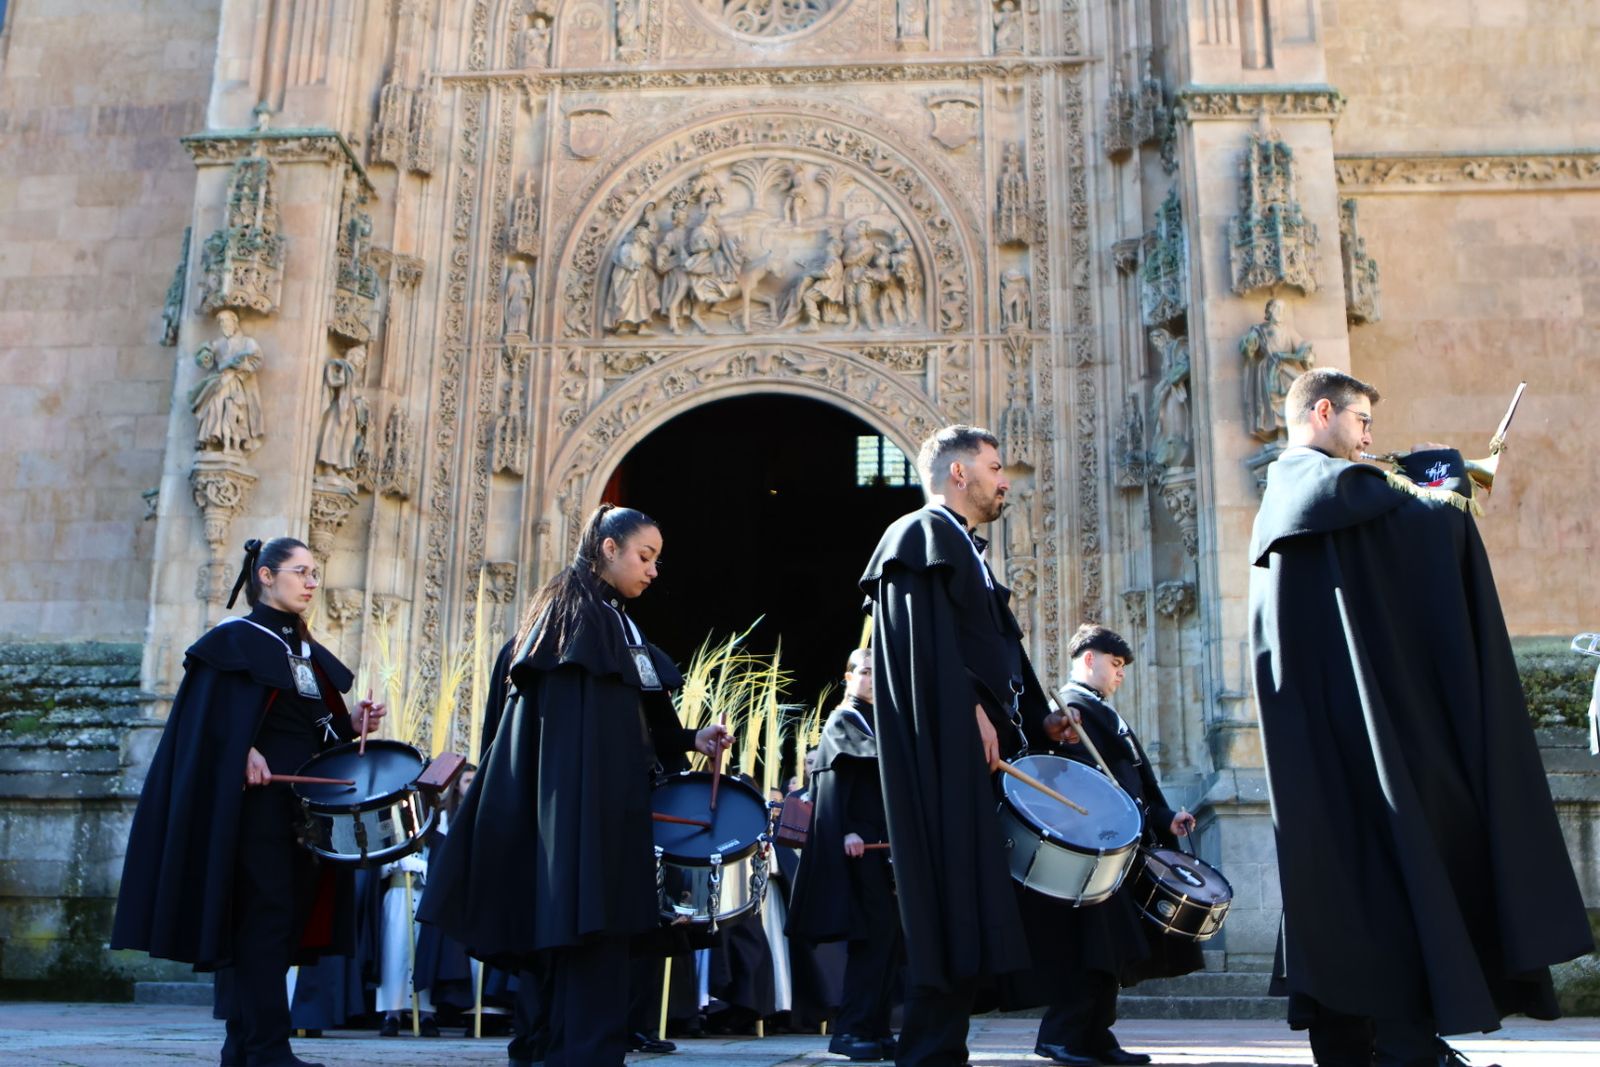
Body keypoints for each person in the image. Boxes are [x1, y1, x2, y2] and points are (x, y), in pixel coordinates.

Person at [1249, 368, 1593, 1066]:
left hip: (1332, 736)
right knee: (1380, 876)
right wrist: (1449, 483)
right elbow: (1421, 532)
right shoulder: (1321, 486)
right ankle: (1400, 1045)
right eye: (1362, 422)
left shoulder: (1312, 497)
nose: (1371, 439)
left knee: (1360, 883)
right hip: (1349, 736)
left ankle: (1372, 1041)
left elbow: (1377, 576)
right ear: (1322, 412)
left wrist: (1429, 484)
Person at [418, 504, 732, 1067]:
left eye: (657, 559)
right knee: (582, 928)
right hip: (583, 812)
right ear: (609, 549)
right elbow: (580, 729)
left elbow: (628, 711)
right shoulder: (580, 618)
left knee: (567, 929)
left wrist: (690, 738)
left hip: (587, 809)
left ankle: (557, 1047)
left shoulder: (603, 618)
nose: (654, 570)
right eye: (645, 556)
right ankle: (579, 1052)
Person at [111, 537, 386, 1067]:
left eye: (314, 572)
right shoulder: (233, 641)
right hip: (256, 808)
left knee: (280, 924)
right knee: (263, 920)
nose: (311, 582)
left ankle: (244, 1047)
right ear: (265, 575)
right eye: (299, 571)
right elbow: (204, 725)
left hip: (303, 810)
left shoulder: (305, 652)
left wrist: (354, 727)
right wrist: (243, 751)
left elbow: (314, 732)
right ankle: (265, 1048)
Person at [859, 424, 1070, 1066]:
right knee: (945, 898)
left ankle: (943, 1047)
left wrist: (1040, 716)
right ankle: (928, 1052)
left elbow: (1001, 649)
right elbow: (924, 649)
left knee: (969, 901)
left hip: (979, 759)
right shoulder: (919, 534)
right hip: (946, 755)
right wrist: (968, 713)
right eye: (996, 466)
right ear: (958, 473)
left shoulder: (967, 549)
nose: (1006, 480)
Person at [1011, 624, 1200, 1066]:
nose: (1120, 674)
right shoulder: (1072, 708)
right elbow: (1081, 782)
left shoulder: (1099, 709)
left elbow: (1129, 778)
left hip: (1120, 844)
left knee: (1110, 949)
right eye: (1114, 664)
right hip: (1093, 850)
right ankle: (1062, 1036)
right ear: (1089, 660)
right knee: (1092, 947)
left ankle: (1096, 1036)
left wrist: (1163, 816)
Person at [787, 648, 903, 1062]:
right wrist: (850, 830)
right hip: (859, 848)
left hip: (884, 848)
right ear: (848, 675)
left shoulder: (881, 720)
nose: (872, 679)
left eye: (878, 673)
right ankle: (851, 1030)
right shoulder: (844, 719)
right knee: (871, 939)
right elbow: (835, 786)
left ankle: (877, 1026)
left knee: (889, 940)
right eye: (866, 672)